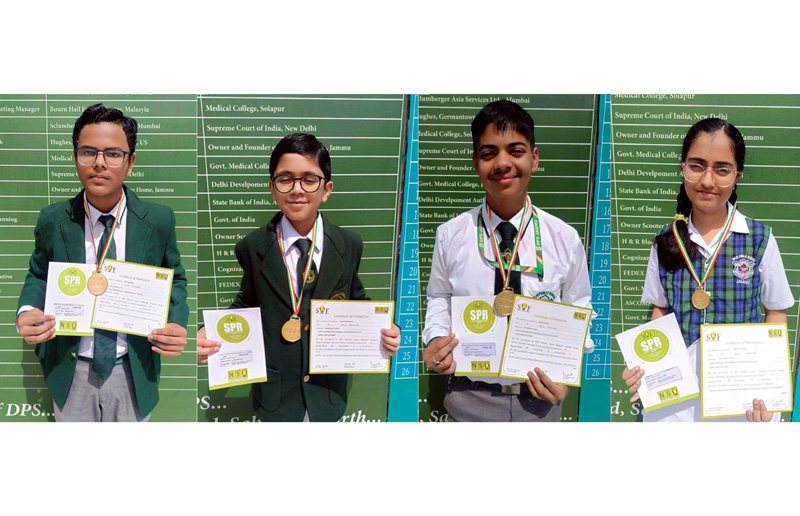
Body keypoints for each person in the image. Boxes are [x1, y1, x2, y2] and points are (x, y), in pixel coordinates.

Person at [197, 133, 400, 422]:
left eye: (309, 179)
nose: (297, 189)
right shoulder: (252, 247)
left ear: (326, 189)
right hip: (276, 394)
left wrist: (387, 329)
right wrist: (211, 332)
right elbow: (247, 303)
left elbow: (357, 301)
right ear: (272, 188)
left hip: (327, 393)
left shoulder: (349, 244)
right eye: (285, 179)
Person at [422, 100, 594, 422]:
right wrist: (435, 338)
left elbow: (579, 308)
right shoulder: (450, 235)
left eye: (516, 151)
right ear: (475, 162)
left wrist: (567, 373)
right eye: (489, 153)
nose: (502, 163)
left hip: (540, 402)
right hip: (468, 397)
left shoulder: (564, 238)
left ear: (534, 158)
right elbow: (439, 296)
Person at [16, 103, 189, 422]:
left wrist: (176, 322)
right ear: (75, 158)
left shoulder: (159, 221)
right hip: (70, 370)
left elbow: (175, 278)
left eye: (112, 153)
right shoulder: (52, 220)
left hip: (133, 368)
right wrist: (27, 310)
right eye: (88, 152)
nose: (99, 162)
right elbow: (39, 273)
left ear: (130, 162)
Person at [623, 117, 795, 422]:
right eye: (697, 166)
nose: (707, 180)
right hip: (675, 404)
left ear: (737, 175)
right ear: (683, 168)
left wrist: (772, 388)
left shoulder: (759, 239)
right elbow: (659, 310)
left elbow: (775, 312)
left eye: (722, 169)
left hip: (739, 399)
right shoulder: (666, 240)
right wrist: (645, 365)